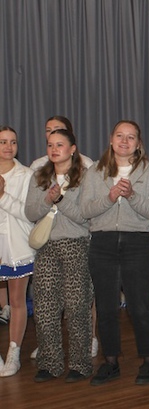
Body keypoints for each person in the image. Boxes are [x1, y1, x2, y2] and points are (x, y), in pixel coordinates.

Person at [81, 120, 149, 386]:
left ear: (138, 143)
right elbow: (86, 210)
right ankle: (110, 361)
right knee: (106, 307)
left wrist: (132, 195)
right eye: (119, 136)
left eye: (131, 137)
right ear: (111, 139)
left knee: (139, 307)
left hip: (136, 243)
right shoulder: (95, 171)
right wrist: (111, 196)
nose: (124, 141)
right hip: (102, 243)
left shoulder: (148, 171)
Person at [25, 128, 92, 382]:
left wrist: (60, 199)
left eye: (60, 145)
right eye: (50, 145)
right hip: (46, 248)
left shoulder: (86, 176)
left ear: (72, 149)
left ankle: (80, 364)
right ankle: (50, 363)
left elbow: (85, 216)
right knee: (44, 308)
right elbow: (30, 213)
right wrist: (47, 200)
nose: (54, 149)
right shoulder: (39, 176)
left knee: (77, 307)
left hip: (76, 245)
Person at [0, 127, 35, 377]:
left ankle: (14, 351)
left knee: (16, 300)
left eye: (13, 142)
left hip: (17, 244)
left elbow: (28, 214)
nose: (8, 147)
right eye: (3, 142)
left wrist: (2, 195)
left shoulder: (26, 175)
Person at [29, 116, 94, 170]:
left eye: (57, 129)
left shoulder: (86, 164)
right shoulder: (38, 166)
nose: (52, 133)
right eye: (48, 130)